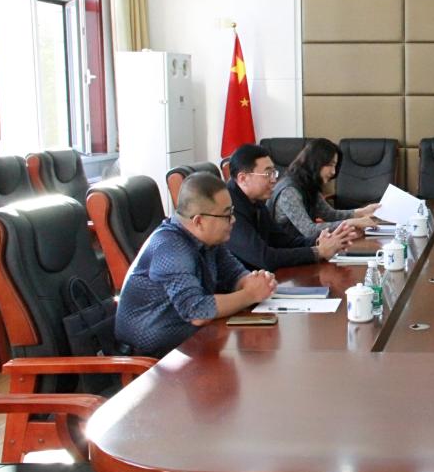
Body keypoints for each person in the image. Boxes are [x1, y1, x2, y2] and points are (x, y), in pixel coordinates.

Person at [115, 172, 277, 357]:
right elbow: (197, 311)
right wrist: (249, 295)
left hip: (191, 344)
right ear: (199, 221)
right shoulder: (170, 247)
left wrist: (256, 282)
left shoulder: (209, 241)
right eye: (226, 215)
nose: (233, 220)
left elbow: (234, 275)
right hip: (153, 359)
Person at [225, 143, 359, 271]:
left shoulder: (256, 201)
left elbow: (283, 241)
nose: (273, 180)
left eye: (274, 173)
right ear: (243, 178)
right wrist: (317, 252)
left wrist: (320, 241)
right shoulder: (228, 208)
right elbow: (264, 258)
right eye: (267, 174)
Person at [269, 138, 381, 242]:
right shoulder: (289, 191)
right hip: (286, 251)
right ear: (315, 162)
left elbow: (329, 214)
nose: (333, 172)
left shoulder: (308, 184)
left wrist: (362, 212)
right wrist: (351, 223)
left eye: (335, 166)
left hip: (302, 246)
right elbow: (309, 230)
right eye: (330, 165)